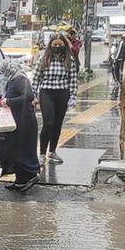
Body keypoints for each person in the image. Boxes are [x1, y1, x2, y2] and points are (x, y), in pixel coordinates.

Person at [33, 33, 78, 165]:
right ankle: (42, 153)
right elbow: (36, 78)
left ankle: (52, 151)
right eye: (55, 44)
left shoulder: (69, 60)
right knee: (49, 123)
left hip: (62, 93)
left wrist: (73, 96)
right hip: (47, 93)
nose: (57, 47)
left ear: (64, 45)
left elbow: (73, 80)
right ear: (50, 45)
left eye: (60, 44)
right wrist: (33, 95)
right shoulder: (44, 58)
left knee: (58, 124)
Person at [0, 59, 40, 192]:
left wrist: (8, 101)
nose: (1, 75)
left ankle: (31, 176)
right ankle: (20, 181)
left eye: (2, 72)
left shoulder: (19, 79)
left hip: (25, 122)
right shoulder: (13, 79)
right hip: (17, 121)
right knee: (15, 150)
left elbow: (29, 96)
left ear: (8, 70)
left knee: (22, 151)